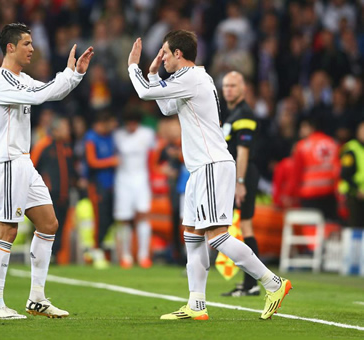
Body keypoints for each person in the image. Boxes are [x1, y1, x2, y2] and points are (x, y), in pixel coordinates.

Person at [127, 30, 291, 321]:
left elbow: (142, 93)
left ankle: (273, 283)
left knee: (217, 237)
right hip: (199, 169)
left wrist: (133, 67)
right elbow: (166, 109)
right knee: (192, 235)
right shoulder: (190, 80)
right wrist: (152, 75)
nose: (161, 57)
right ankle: (196, 305)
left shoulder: (190, 78)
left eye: (165, 52)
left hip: (212, 165)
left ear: (179, 54)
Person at [0, 23, 93, 320]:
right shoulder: (0, 83)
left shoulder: (22, 79)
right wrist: (68, 75)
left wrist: (76, 74)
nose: (32, 49)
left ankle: (36, 298)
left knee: (49, 224)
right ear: (10, 47)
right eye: (26, 44)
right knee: (6, 229)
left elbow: (51, 93)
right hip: (7, 163)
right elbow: (40, 96)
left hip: (24, 162)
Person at [220, 71, 261, 297]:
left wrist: (240, 182)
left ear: (243, 88)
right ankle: (248, 282)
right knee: (240, 226)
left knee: (246, 226)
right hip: (236, 175)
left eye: (233, 85)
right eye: (226, 85)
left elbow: (243, 153)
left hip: (244, 174)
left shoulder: (244, 114)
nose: (229, 90)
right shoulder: (233, 114)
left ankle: (252, 283)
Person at [113, 110, 155, 269]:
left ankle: (143, 256)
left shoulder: (147, 134)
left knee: (143, 215)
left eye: (134, 123)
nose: (131, 126)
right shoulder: (118, 135)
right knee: (124, 218)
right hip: (123, 180)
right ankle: (125, 256)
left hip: (141, 179)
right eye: (128, 123)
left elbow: (155, 152)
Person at [30, 117, 76, 259]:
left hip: (64, 193)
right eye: (64, 128)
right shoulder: (43, 145)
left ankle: (55, 256)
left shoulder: (67, 146)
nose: (68, 131)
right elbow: (31, 167)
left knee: (60, 225)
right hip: (47, 194)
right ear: (56, 130)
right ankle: (39, 255)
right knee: (46, 226)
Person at [83, 111, 118, 268]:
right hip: (97, 184)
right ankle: (95, 250)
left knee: (109, 218)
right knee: (99, 218)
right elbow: (92, 162)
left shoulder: (110, 137)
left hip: (110, 184)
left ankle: (98, 249)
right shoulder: (91, 138)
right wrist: (111, 161)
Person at [288, 117, 340, 220]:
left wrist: (291, 193)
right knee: (329, 226)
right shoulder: (333, 143)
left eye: (303, 127)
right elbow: (338, 170)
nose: (301, 131)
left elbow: (296, 173)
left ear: (311, 128)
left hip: (309, 194)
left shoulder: (302, 146)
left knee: (310, 228)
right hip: (329, 194)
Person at [339, 120, 364, 227]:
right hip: (353, 195)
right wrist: (357, 190)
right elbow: (345, 174)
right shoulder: (351, 148)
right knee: (354, 228)